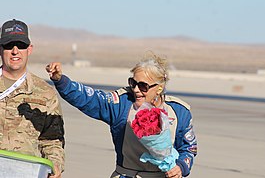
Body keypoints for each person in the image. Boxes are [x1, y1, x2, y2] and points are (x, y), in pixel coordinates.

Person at [46, 52, 197, 178]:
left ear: (159, 88)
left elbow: (189, 149)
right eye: (133, 83)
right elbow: (90, 99)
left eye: (143, 86)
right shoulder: (121, 103)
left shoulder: (179, 111)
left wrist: (180, 167)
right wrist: (61, 81)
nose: (136, 90)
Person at [0, 19, 65, 178]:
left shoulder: (45, 92)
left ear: (29, 49)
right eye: (9, 45)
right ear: (0, 48)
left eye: (21, 45)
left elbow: (53, 140)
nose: (15, 51)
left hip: (26, 173)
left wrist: (55, 165)